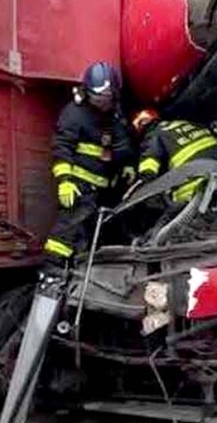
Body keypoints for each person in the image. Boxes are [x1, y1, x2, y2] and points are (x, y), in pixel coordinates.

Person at [42, 62, 133, 276]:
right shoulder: (75, 114)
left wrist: (127, 165)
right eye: (97, 98)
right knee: (67, 231)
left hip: (104, 191)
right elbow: (62, 147)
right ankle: (51, 271)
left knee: (91, 237)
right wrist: (65, 181)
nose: (101, 102)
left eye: (106, 98)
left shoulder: (114, 116)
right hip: (79, 187)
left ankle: (81, 273)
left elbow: (121, 144)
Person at [133, 109, 217, 203]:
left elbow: (150, 158)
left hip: (194, 183)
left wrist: (146, 178)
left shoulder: (154, 133)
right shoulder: (187, 123)